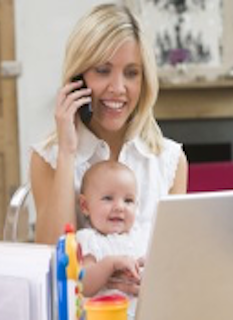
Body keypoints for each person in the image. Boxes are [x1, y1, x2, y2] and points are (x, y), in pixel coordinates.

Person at [30, 3, 188, 295]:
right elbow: (52, 267)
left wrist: (157, 280)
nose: (118, 88)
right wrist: (67, 152)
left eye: (131, 73)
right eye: (102, 70)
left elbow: (176, 266)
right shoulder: (48, 158)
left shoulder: (170, 161)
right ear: (78, 78)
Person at [76, 160, 144, 298]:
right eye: (108, 198)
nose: (119, 207)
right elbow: (83, 285)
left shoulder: (138, 237)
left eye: (128, 200)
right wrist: (110, 264)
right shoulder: (88, 239)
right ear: (85, 206)